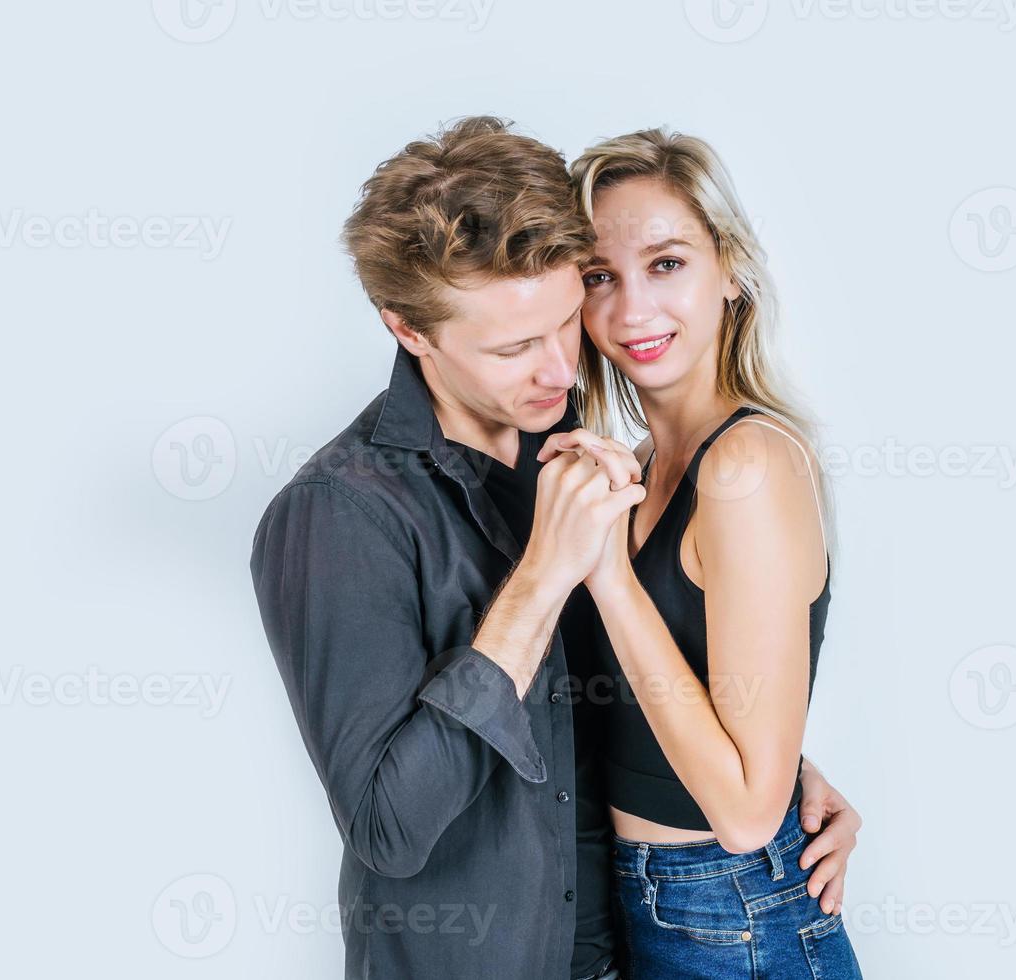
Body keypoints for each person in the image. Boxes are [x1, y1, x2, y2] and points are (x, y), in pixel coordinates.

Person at [249, 116, 861, 980]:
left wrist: (784, 766)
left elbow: (613, 692)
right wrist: (543, 579)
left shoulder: (576, 448)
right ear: (408, 331)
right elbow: (388, 827)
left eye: (567, 319)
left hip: (652, 935)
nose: (563, 373)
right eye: (513, 347)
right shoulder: (341, 514)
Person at [532, 128, 865, 978]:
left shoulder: (747, 466)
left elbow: (749, 816)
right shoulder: (642, 466)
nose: (632, 310)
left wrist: (608, 578)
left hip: (735, 910)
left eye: (667, 263)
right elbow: (708, 702)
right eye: (600, 277)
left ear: (732, 270)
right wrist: (792, 758)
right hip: (651, 902)